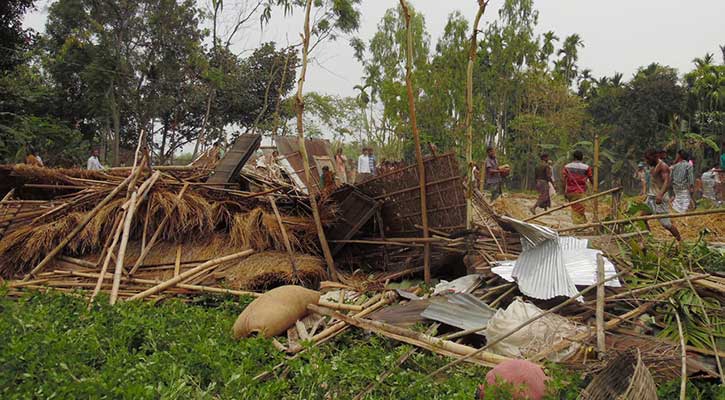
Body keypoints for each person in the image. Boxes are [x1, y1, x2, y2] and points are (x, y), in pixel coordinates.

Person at [643, 149, 681, 241]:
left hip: (660, 199)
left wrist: (660, 194)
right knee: (642, 218)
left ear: (655, 157)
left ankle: (680, 241)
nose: (646, 161)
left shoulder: (663, 166)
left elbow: (667, 182)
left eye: (648, 159)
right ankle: (649, 239)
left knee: (666, 224)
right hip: (651, 197)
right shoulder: (653, 166)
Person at [561, 150, 593, 224]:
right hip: (580, 191)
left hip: (570, 191)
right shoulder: (586, 167)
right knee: (578, 209)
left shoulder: (567, 167)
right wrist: (595, 188)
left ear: (573, 157)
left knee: (577, 208)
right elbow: (591, 179)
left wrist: (564, 192)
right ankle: (578, 226)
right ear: (582, 158)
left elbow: (563, 180)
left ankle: (583, 223)